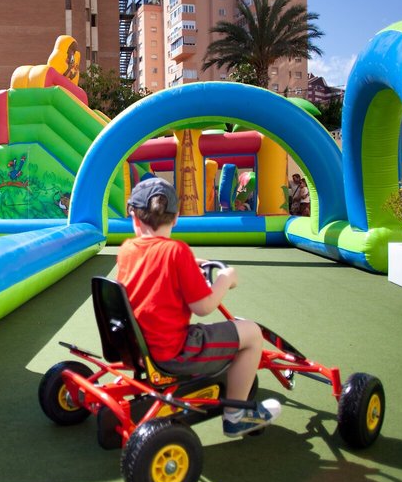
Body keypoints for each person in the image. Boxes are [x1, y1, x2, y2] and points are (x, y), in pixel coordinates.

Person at [116, 177, 281, 437]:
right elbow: (203, 306)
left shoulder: (127, 250)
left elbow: (153, 263)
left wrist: (189, 263)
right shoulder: (176, 252)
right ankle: (236, 416)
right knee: (251, 333)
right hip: (173, 353)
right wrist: (225, 279)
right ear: (176, 218)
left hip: (136, 348)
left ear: (134, 218)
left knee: (236, 330)